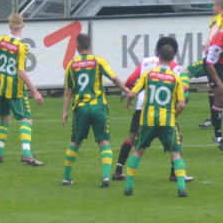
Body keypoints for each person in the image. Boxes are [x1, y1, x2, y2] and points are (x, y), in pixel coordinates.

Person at [112, 36, 194, 183]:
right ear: (173, 51)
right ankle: (175, 174)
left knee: (132, 137)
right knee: (177, 138)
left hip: (142, 106)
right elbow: (179, 88)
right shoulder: (174, 66)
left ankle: (118, 170)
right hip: (164, 110)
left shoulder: (145, 61)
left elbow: (131, 80)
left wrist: (128, 95)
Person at [61, 33, 129, 187]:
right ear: (89, 46)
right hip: (98, 106)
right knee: (103, 142)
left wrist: (64, 111)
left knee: (75, 142)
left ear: (77, 46)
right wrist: (125, 89)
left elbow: (68, 91)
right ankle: (105, 176)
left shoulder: (71, 65)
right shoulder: (98, 61)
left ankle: (66, 177)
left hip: (80, 108)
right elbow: (113, 77)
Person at [0, 13, 44, 166]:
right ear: (23, 26)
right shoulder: (22, 47)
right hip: (16, 88)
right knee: (26, 119)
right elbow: (21, 71)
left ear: (9, 26)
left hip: (2, 86)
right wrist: (35, 91)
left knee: (4, 118)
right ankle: (27, 155)